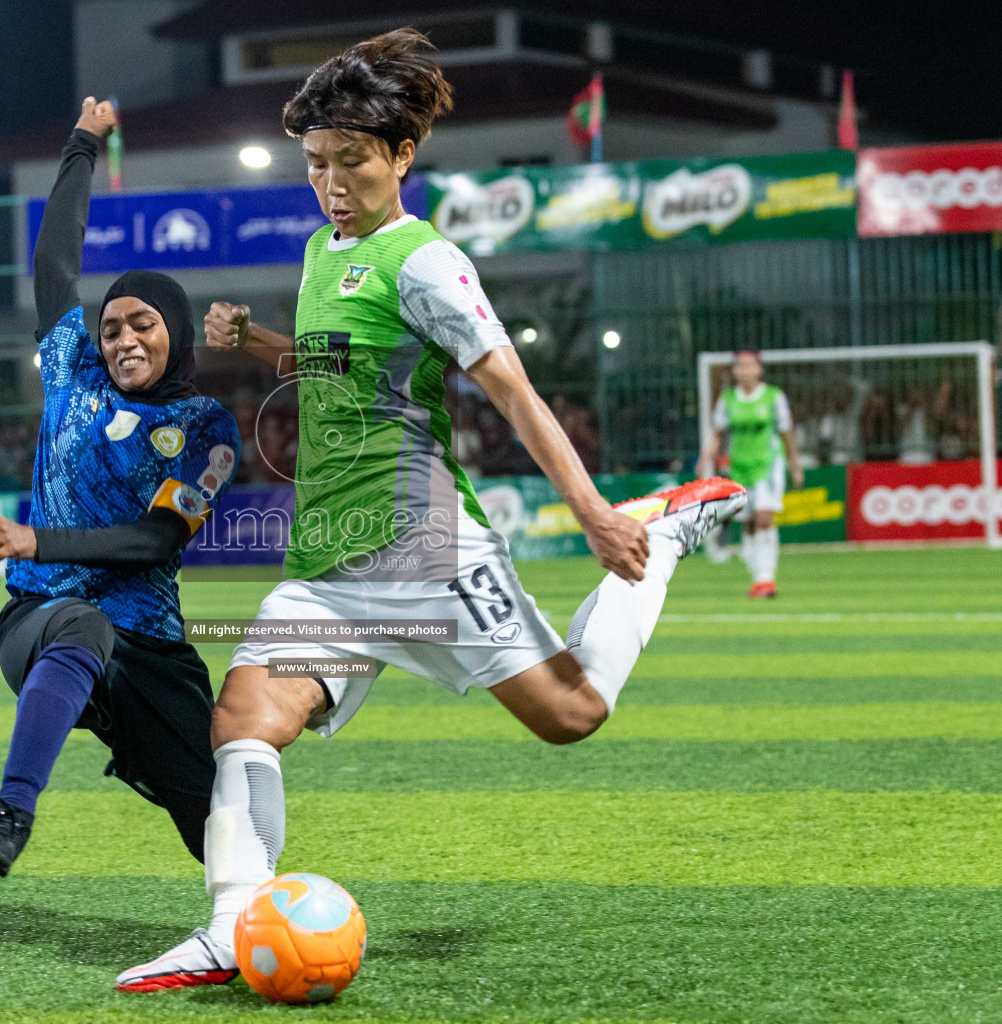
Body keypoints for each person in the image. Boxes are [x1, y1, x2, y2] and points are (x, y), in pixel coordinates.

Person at [114, 29, 745, 992]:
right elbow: (341, 365)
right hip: (328, 557)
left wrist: (592, 514)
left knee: (571, 714)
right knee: (243, 717)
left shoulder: (428, 264)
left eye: (351, 161)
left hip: (423, 548)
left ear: (402, 155)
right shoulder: (328, 251)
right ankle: (232, 929)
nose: (329, 180)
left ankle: (653, 537)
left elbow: (515, 391)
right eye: (315, 162)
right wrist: (258, 342)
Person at [0, 98, 243, 885]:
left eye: (140, 323)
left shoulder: (207, 426)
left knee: (218, 818)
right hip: (42, 621)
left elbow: (156, 542)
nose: (120, 338)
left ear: (174, 332)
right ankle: (10, 814)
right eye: (110, 326)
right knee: (79, 624)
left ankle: (257, 921)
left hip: (149, 646)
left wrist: (36, 537)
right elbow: (54, 264)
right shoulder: (72, 376)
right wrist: (81, 144)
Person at [698, 350, 802, 598]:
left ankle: (766, 579)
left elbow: (786, 433)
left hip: (767, 465)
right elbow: (718, 433)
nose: (745, 370)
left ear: (759, 369)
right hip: (739, 467)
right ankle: (757, 574)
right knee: (748, 522)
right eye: (740, 366)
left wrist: (794, 465)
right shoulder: (728, 400)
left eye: (749, 365)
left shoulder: (773, 397)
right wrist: (706, 457)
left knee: (764, 517)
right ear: (734, 371)